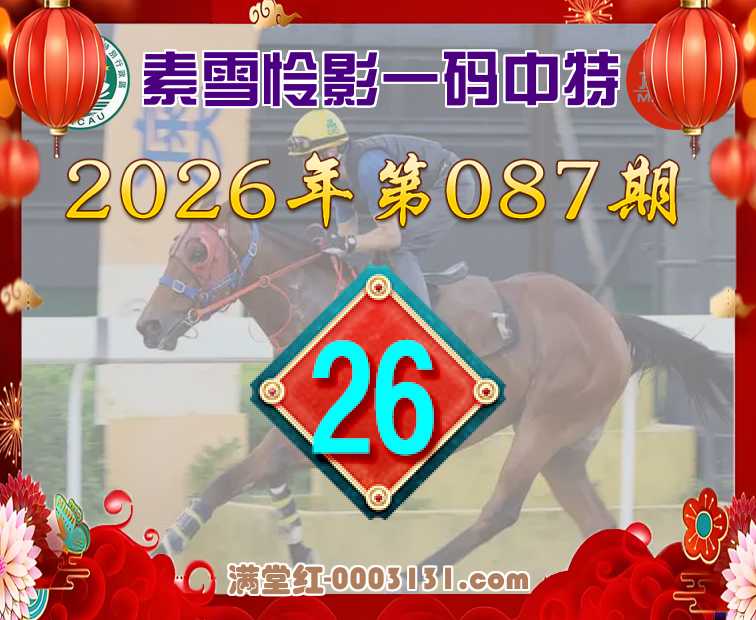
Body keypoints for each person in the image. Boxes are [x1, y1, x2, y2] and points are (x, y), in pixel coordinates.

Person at [288, 109, 475, 305]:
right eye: (302, 160)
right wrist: (331, 248)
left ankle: (420, 318)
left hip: (452, 182)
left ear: (331, 152)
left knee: (401, 247)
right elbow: (348, 237)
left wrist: (347, 243)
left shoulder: (370, 166)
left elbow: (391, 237)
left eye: (309, 158)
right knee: (378, 256)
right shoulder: (335, 181)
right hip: (421, 189)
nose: (306, 168)